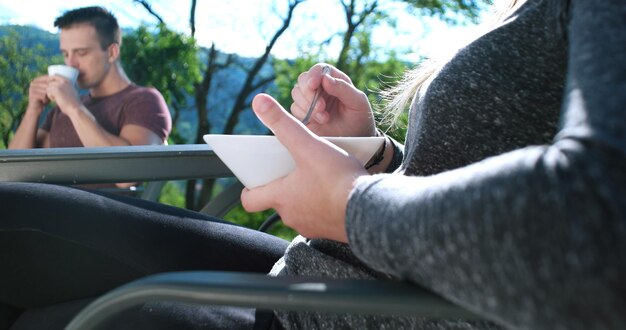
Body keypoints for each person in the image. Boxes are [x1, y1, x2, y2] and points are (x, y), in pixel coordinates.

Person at [1, 0, 624, 329]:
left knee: (51, 313)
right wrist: (374, 155)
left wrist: (353, 204)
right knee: (13, 213)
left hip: (374, 303)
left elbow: (598, 224)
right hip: (349, 266)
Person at [8, 6, 171, 152]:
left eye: (81, 53)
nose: (70, 63)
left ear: (112, 53)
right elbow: (13, 171)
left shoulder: (144, 101)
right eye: (65, 54)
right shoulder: (62, 108)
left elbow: (128, 174)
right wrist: (33, 110)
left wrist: (74, 109)